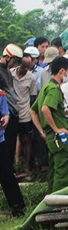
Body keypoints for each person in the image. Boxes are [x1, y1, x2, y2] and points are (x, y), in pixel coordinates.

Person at [30, 57, 68, 193]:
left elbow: (32, 111)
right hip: (59, 136)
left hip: (50, 136)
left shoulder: (45, 88)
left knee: (54, 170)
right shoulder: (53, 89)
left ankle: (51, 201)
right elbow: (44, 109)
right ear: (61, 71)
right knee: (63, 170)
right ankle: (59, 204)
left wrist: (42, 131)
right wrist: (56, 128)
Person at [0, 85, 26, 217]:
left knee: (6, 173)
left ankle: (18, 207)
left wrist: (5, 117)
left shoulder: (1, 94)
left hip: (0, 140)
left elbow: (6, 113)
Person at [11, 55, 37, 177]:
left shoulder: (31, 78)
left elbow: (32, 97)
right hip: (11, 112)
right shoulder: (10, 74)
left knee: (26, 140)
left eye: (28, 66)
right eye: (24, 66)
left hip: (24, 113)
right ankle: (12, 167)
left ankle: (26, 167)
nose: (26, 69)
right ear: (18, 64)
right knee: (10, 140)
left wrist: (30, 113)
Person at [0, 44, 24, 177]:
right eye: (14, 61)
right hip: (5, 114)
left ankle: (9, 172)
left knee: (11, 145)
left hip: (13, 113)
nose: (14, 64)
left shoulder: (7, 71)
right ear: (8, 57)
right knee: (6, 145)